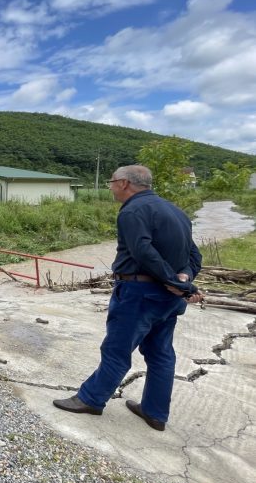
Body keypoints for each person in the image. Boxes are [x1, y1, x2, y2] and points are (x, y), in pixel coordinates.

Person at [53, 165, 203, 432]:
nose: (109, 186)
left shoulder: (133, 211)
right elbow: (194, 256)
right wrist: (183, 280)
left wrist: (174, 281)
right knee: (161, 353)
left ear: (123, 183)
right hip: (168, 300)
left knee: (117, 350)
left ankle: (91, 399)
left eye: (111, 182)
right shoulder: (177, 212)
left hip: (139, 295)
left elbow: (143, 252)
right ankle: (155, 413)